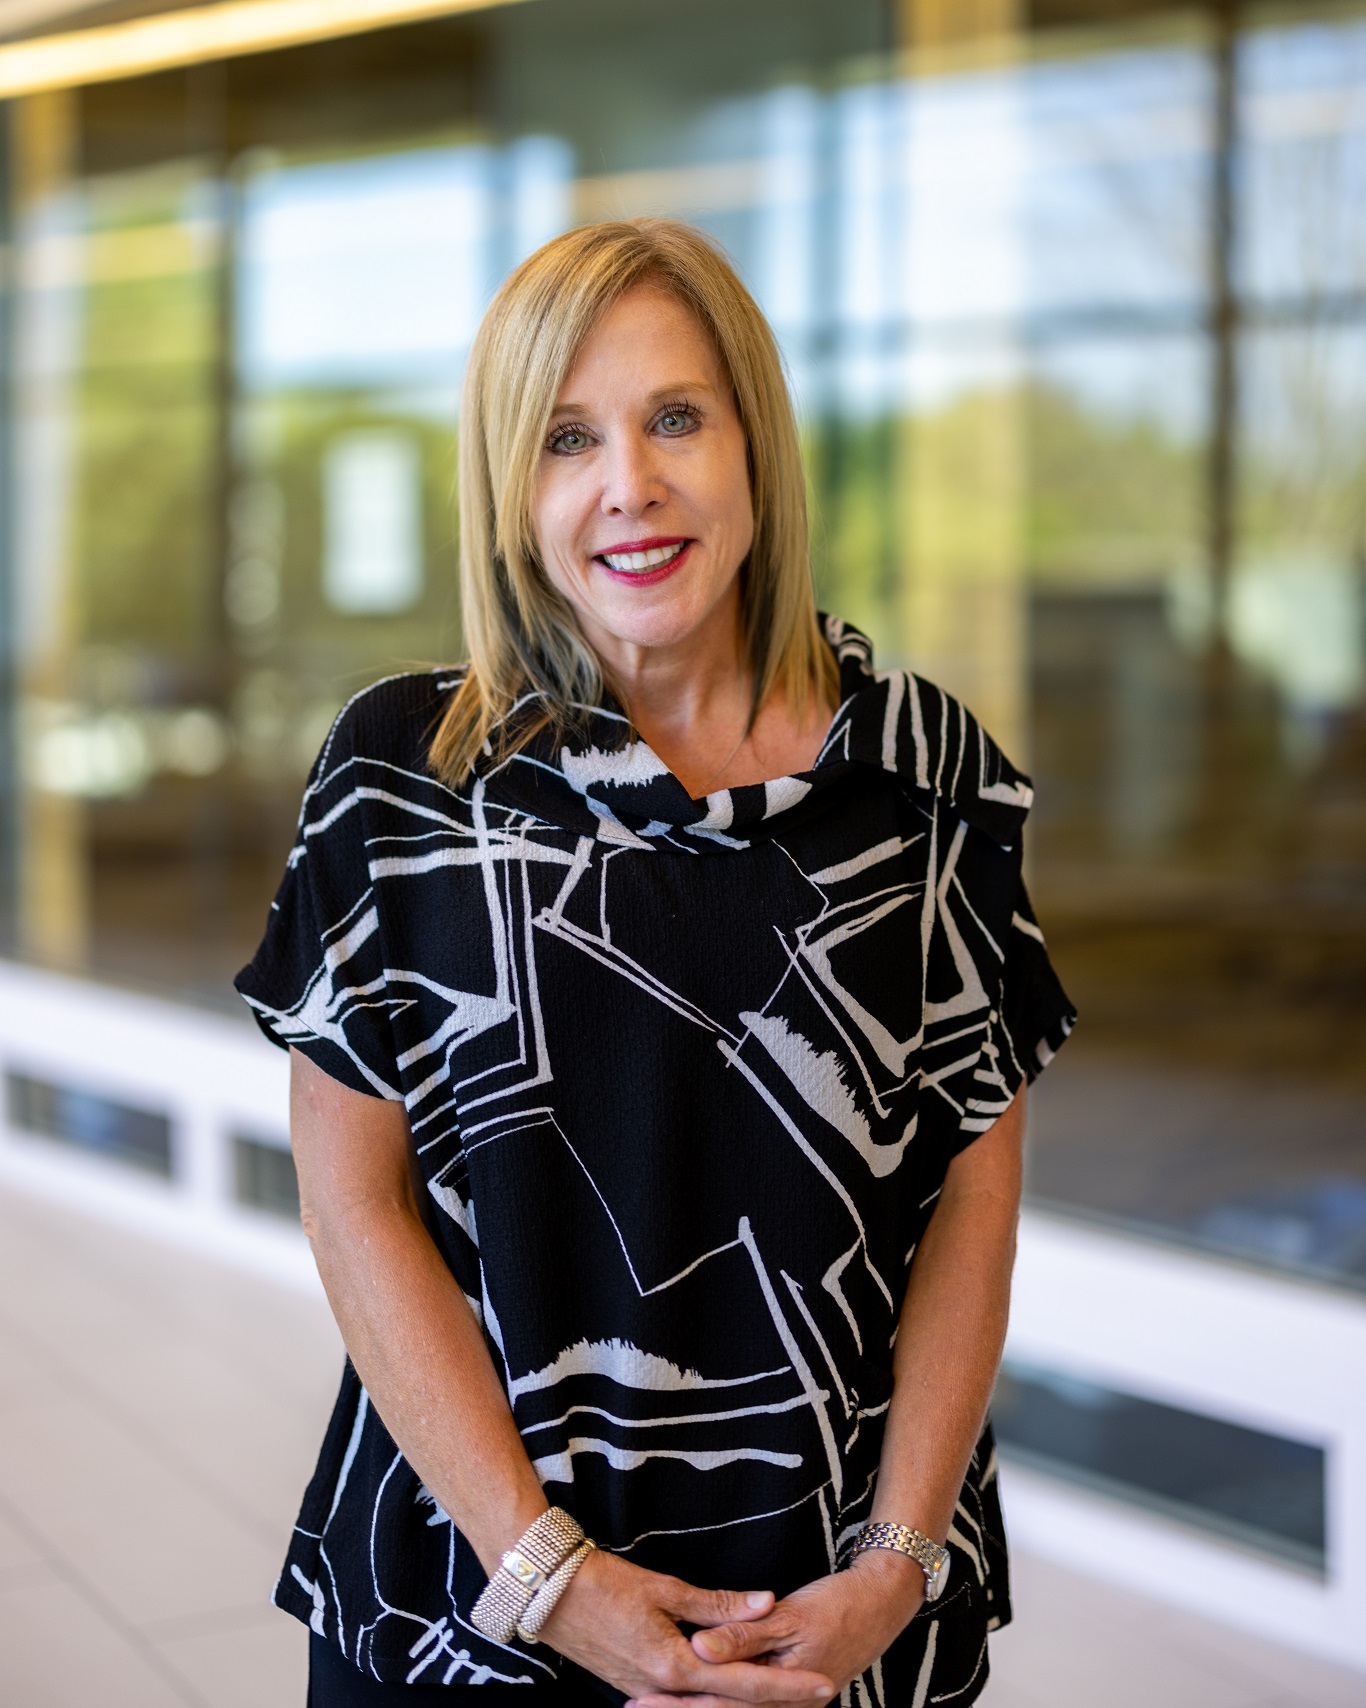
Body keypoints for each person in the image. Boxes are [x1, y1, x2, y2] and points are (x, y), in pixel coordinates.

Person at [236, 217, 1074, 1708]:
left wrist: (893, 1562)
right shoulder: (406, 778)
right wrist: (544, 1577)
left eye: (675, 416)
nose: (630, 483)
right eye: (566, 438)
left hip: (838, 1603)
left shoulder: (924, 775)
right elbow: (349, 1198)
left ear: (756, 441)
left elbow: (971, 1194)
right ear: (509, 486)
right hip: (468, 1602)